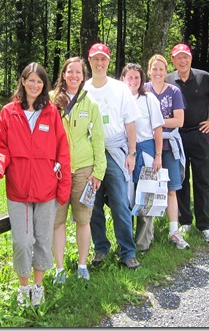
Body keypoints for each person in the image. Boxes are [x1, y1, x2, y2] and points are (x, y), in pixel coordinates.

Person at [0, 62, 71, 307]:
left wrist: (63, 186)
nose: (35, 85)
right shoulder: (8, 112)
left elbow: (62, 152)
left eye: (39, 81)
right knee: (22, 241)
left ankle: (38, 286)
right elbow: (0, 146)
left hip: (47, 190)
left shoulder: (52, 113)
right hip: (18, 190)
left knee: (43, 240)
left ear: (44, 86)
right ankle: (23, 288)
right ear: (22, 81)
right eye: (30, 80)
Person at [165, 43, 209, 243]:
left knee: (203, 181)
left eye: (186, 57)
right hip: (177, 136)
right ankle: (185, 221)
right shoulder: (169, 80)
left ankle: (205, 225)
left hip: (201, 134)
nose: (182, 61)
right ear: (173, 60)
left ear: (190, 58)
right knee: (181, 180)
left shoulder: (203, 77)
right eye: (178, 57)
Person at [84, 43, 141, 269]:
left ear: (108, 62)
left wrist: (132, 152)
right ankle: (100, 248)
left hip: (116, 151)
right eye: (95, 59)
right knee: (93, 204)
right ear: (89, 61)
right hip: (90, 155)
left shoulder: (120, 88)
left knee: (120, 203)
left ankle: (127, 251)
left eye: (103, 59)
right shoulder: (83, 89)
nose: (99, 63)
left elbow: (130, 121)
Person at [51, 57, 106, 283]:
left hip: (84, 170)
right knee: (57, 221)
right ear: (63, 74)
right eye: (70, 72)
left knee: (83, 219)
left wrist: (98, 172)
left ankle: (82, 265)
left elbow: (98, 139)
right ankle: (60, 268)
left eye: (78, 73)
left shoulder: (90, 103)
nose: (74, 76)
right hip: (57, 171)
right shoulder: (52, 102)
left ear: (83, 77)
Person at [144, 54, 189, 250]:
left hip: (170, 145)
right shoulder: (143, 90)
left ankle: (174, 230)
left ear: (166, 71)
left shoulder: (174, 91)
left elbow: (179, 120)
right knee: (149, 188)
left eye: (161, 69)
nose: (158, 73)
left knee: (172, 189)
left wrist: (157, 123)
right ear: (149, 71)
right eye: (154, 69)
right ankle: (148, 232)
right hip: (147, 145)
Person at [120, 63, 164, 253]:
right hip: (124, 153)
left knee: (145, 198)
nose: (133, 81)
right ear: (123, 79)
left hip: (146, 151)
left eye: (137, 77)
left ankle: (143, 243)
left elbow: (158, 128)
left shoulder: (149, 99)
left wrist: (158, 155)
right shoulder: (118, 99)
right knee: (126, 199)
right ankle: (126, 241)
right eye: (130, 77)